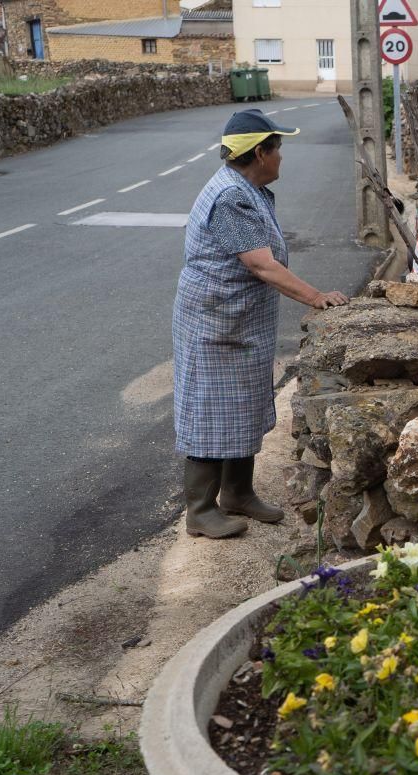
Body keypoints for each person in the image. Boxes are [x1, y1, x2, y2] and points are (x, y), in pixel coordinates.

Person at [173, 109, 348, 539]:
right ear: (259, 153)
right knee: (213, 409)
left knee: (243, 405)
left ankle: (237, 493)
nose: (282, 157)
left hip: (238, 321)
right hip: (216, 322)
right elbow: (262, 266)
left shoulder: (249, 189)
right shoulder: (230, 198)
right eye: (277, 149)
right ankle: (199, 510)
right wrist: (315, 297)